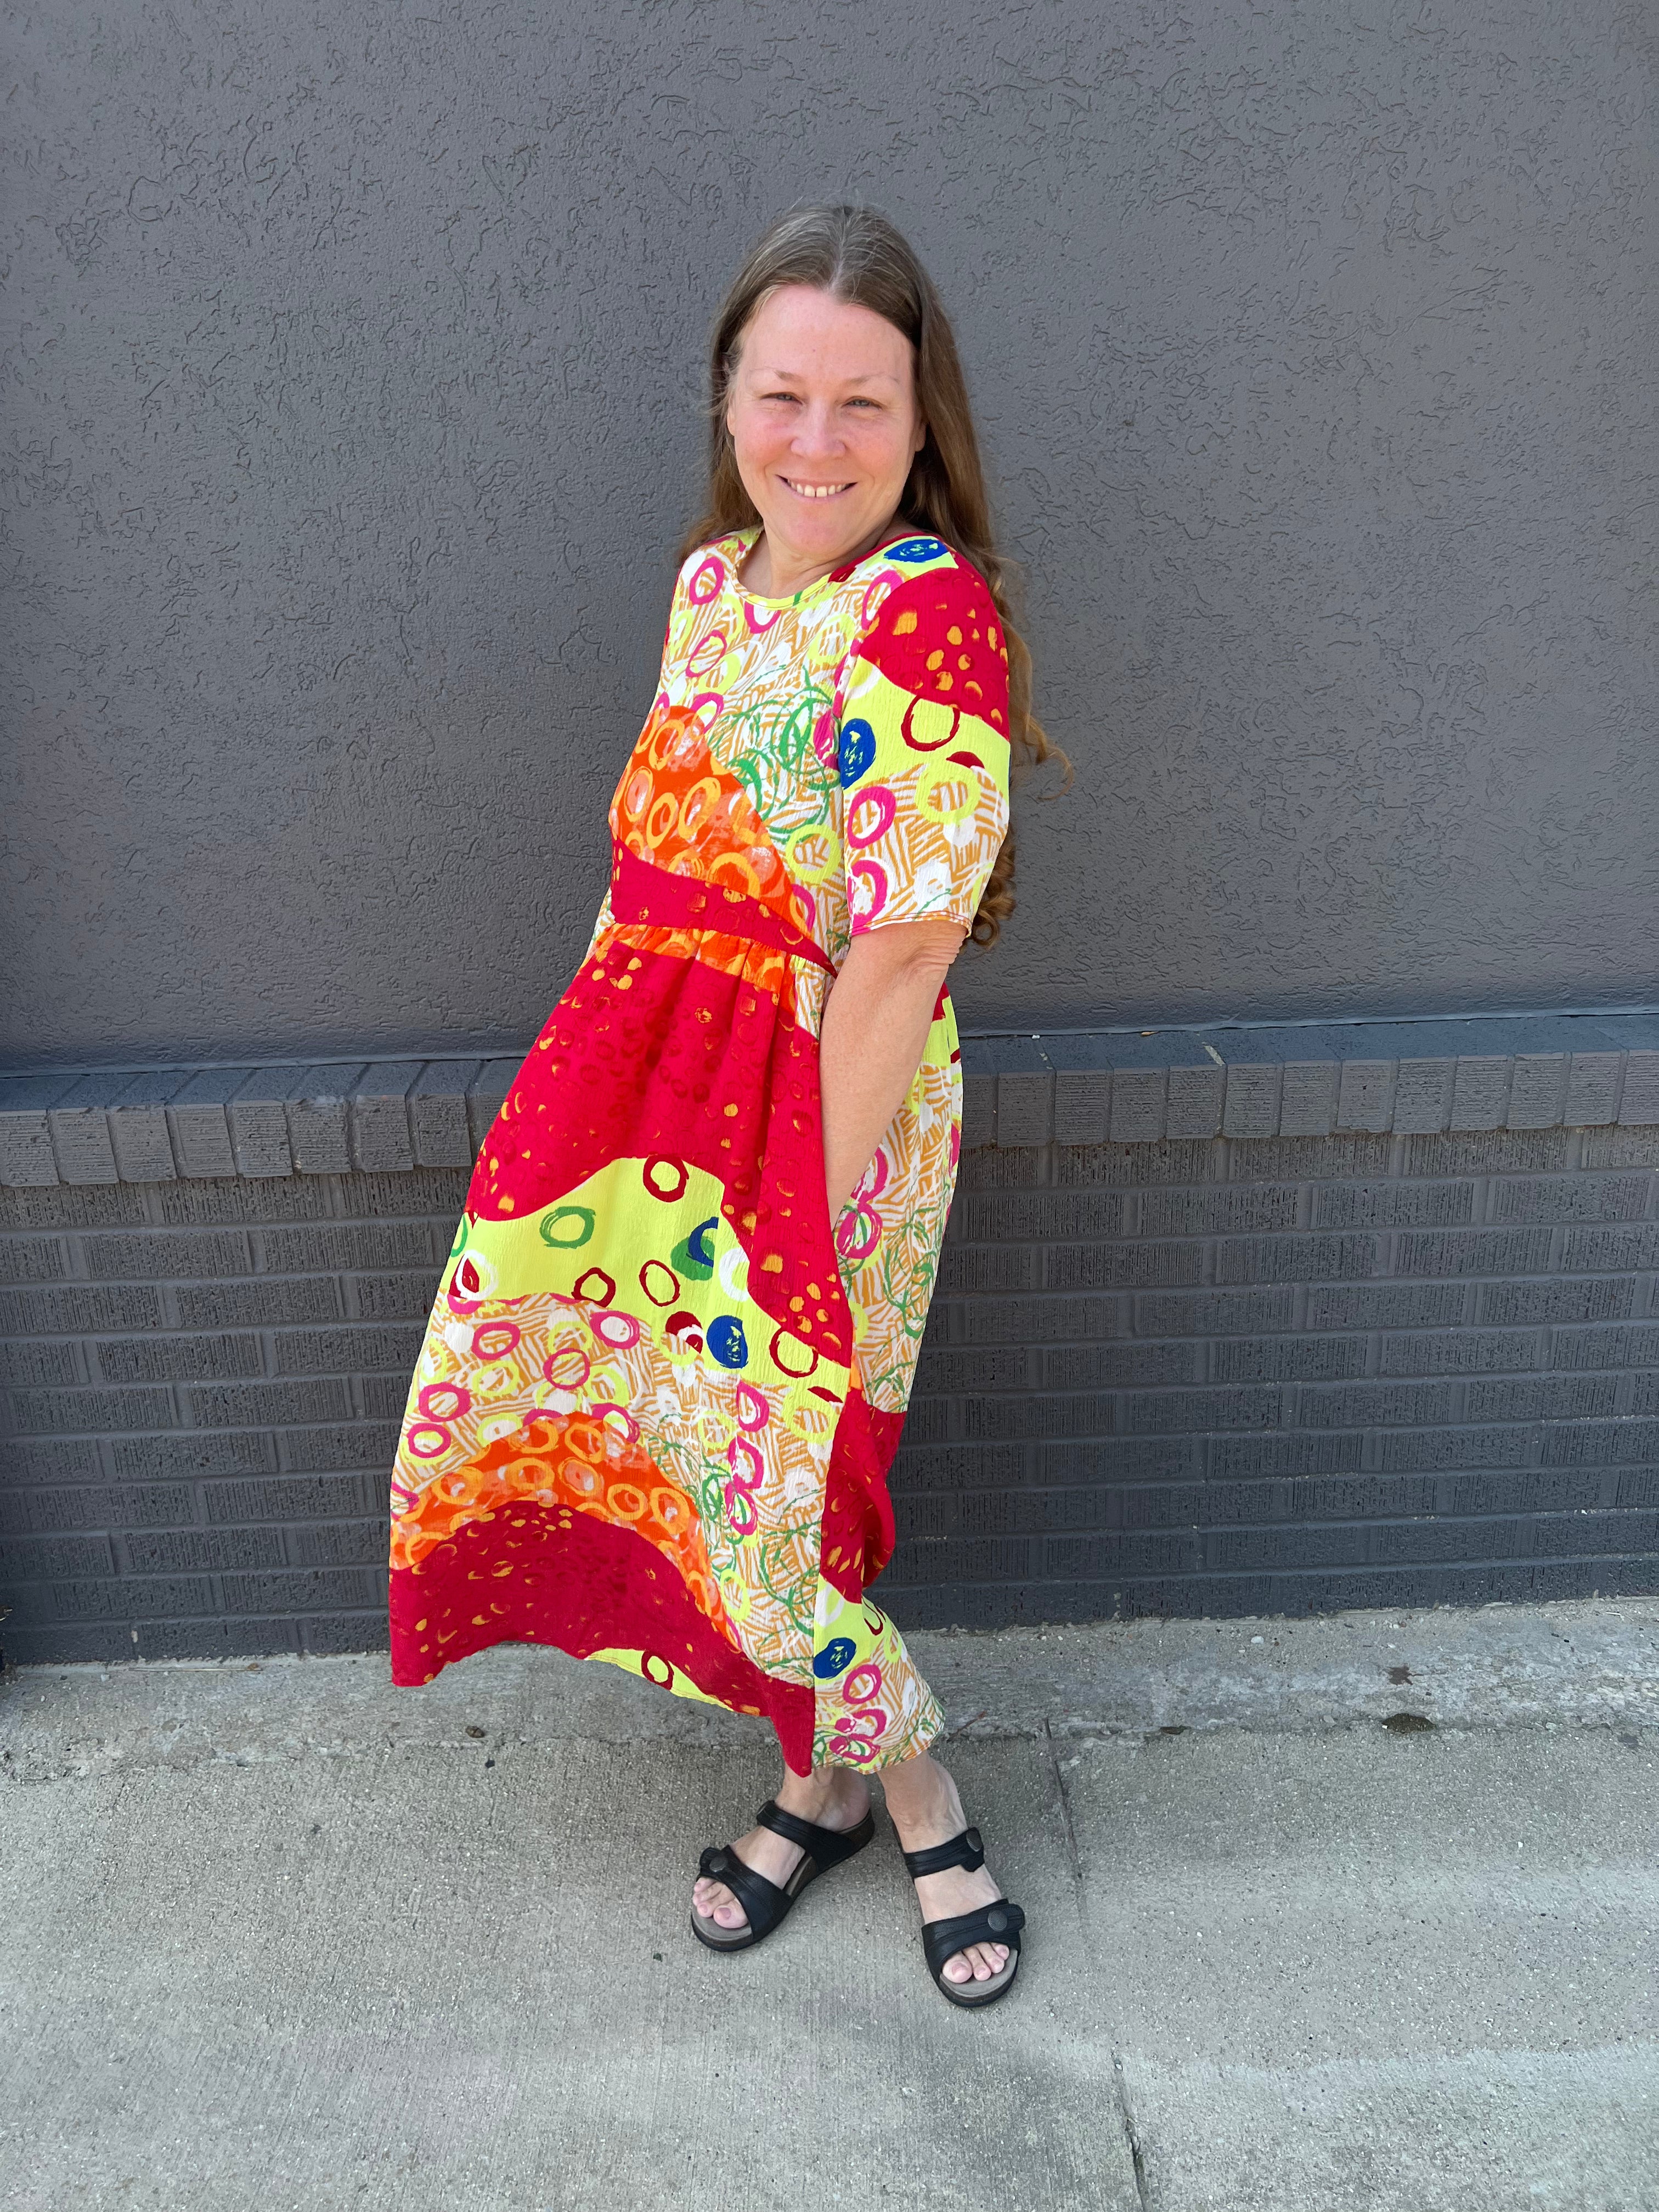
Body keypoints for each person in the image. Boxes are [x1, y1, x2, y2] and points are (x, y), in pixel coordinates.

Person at [386, 204, 1063, 2008]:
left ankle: (910, 1792)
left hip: (811, 1117)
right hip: (642, 1097)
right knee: (701, 1476)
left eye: (863, 405)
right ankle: (819, 1773)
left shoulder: (923, 616)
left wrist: (789, 1213)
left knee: (775, 1486)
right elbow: (646, 877)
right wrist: (572, 1107)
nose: (817, 444)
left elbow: (907, 959)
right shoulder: (708, 586)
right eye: (784, 396)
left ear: (925, 430)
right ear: (727, 402)